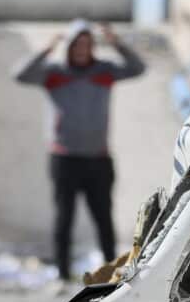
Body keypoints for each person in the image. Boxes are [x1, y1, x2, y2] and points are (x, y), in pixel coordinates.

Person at [15, 20, 145, 281]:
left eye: (87, 44)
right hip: (64, 158)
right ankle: (63, 274)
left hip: (98, 158)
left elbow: (137, 68)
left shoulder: (105, 70)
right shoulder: (54, 72)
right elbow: (20, 74)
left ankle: (111, 273)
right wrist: (47, 49)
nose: (82, 50)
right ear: (70, 47)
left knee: (104, 218)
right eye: (77, 44)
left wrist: (116, 43)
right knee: (64, 219)